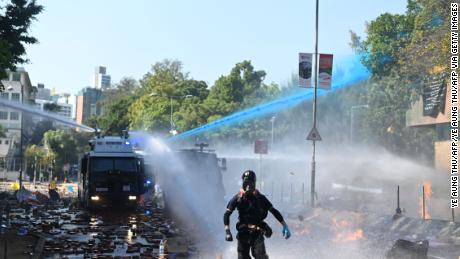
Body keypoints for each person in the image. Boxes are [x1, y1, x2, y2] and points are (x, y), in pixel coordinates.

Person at [224, 170, 291, 259]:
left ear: (254, 183)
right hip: (243, 232)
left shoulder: (260, 198)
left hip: (257, 232)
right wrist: (227, 231)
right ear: (243, 183)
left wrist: (284, 225)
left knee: (260, 256)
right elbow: (227, 214)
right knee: (242, 257)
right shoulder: (238, 198)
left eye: (250, 183)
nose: (248, 186)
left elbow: (273, 211)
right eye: (246, 183)